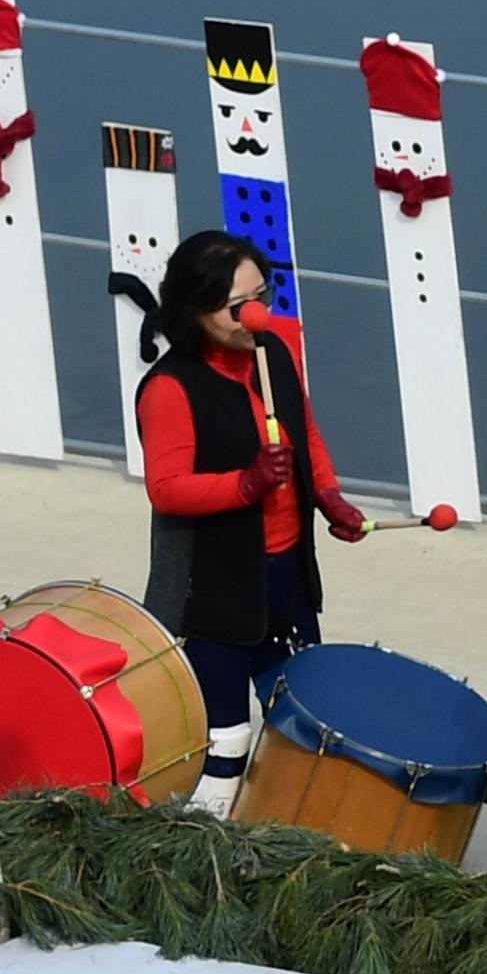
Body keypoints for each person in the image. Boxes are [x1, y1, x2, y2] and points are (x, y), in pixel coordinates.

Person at [134, 232, 368, 816]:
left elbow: (306, 434)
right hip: (213, 593)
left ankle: (287, 838)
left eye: (262, 296)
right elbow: (166, 489)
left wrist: (330, 496)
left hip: (284, 577)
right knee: (227, 740)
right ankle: (201, 855)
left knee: (302, 724)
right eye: (237, 307)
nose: (255, 315)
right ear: (194, 310)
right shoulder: (169, 388)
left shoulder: (274, 352)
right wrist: (245, 483)